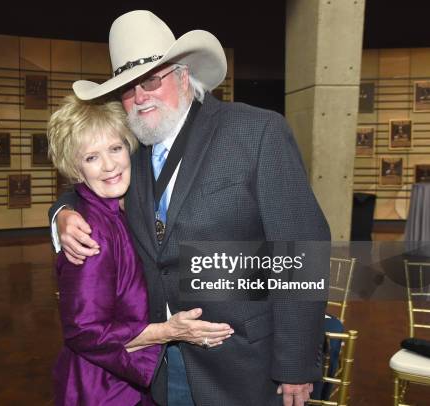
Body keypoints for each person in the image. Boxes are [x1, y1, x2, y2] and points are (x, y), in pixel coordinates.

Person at [49, 10, 331, 406]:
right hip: (158, 366)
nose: (140, 96)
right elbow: (89, 183)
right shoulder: (132, 148)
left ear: (183, 75)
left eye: (150, 80)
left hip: (245, 365)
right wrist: (61, 214)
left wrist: (296, 365)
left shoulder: (256, 132)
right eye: (128, 89)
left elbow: (301, 251)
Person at [48, 95, 233, 406]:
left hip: (127, 383)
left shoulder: (121, 207)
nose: (109, 166)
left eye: (115, 149)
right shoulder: (90, 234)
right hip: (103, 391)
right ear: (76, 168)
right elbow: (84, 331)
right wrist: (167, 331)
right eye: (91, 157)